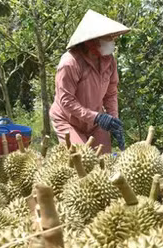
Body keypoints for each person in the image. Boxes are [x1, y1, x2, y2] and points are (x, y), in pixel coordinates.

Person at [50, 10, 129, 154]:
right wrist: (96, 117)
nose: (112, 41)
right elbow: (66, 100)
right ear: (92, 41)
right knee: (82, 160)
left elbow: (110, 94)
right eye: (107, 37)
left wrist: (113, 120)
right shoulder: (70, 63)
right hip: (68, 120)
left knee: (104, 162)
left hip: (95, 122)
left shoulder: (109, 61)